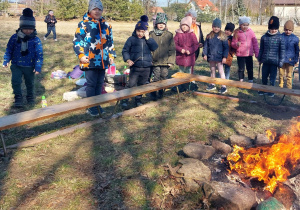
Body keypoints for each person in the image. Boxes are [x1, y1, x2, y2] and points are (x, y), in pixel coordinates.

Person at [73, 0, 116, 116]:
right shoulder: (83, 24)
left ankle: (98, 104)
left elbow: (110, 42)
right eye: (94, 9)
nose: (97, 11)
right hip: (89, 61)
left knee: (100, 83)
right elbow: (77, 41)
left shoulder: (107, 26)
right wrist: (81, 55)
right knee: (91, 84)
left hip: (103, 60)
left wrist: (112, 55)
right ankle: (91, 106)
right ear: (89, 10)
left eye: (99, 9)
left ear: (102, 10)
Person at [2, 8, 43, 107]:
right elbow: (9, 49)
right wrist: (6, 60)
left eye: (31, 28)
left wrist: (38, 66)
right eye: (26, 28)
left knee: (29, 83)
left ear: (34, 28)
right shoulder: (14, 38)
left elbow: (39, 54)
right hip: (16, 65)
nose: (28, 31)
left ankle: (30, 96)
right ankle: (18, 97)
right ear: (21, 27)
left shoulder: (36, 40)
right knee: (16, 81)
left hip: (29, 66)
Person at [121, 15, 158, 108]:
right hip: (135, 67)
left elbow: (154, 47)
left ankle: (138, 99)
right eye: (138, 31)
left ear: (146, 31)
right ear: (135, 30)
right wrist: (128, 59)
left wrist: (148, 38)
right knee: (131, 84)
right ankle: (125, 100)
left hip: (146, 67)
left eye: (143, 31)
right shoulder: (131, 39)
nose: (140, 33)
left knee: (142, 85)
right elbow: (125, 50)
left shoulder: (148, 40)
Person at [149, 13, 175, 101]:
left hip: (165, 61)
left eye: (163, 23)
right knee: (156, 77)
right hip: (155, 61)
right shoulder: (151, 34)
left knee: (164, 76)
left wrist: (171, 61)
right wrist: (150, 58)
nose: (161, 25)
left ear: (165, 24)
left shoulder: (169, 35)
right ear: (156, 24)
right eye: (159, 23)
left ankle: (161, 93)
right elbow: (148, 48)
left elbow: (172, 49)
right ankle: (153, 93)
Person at [258, 16, 285, 97]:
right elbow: (261, 49)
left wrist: (281, 62)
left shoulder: (280, 38)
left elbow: (282, 51)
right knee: (264, 76)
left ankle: (271, 91)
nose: (273, 30)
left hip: (274, 62)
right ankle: (263, 89)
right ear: (269, 28)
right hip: (265, 61)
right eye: (272, 29)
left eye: (275, 29)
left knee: (272, 78)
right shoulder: (264, 37)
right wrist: (259, 58)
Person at [203, 18, 229, 94]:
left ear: (220, 28)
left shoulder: (223, 36)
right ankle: (212, 84)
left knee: (221, 71)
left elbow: (226, 48)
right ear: (212, 27)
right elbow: (206, 46)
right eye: (214, 27)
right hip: (211, 56)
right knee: (212, 70)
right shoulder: (209, 36)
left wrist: (224, 57)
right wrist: (205, 54)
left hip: (219, 57)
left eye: (218, 27)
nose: (216, 28)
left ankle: (224, 86)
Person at [232, 16, 259, 83]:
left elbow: (255, 43)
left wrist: (257, 53)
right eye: (243, 25)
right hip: (240, 54)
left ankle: (250, 80)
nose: (245, 27)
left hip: (249, 54)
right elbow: (233, 43)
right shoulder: (237, 33)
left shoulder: (251, 32)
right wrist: (236, 44)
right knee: (241, 68)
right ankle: (241, 79)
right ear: (240, 25)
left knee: (250, 68)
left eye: (247, 25)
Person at [279, 20, 299, 89]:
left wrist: (296, 60)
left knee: (289, 75)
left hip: (290, 60)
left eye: (290, 30)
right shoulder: (280, 37)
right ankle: (280, 86)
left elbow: (297, 50)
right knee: (281, 74)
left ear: (292, 30)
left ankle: (289, 87)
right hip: (281, 59)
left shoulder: (295, 39)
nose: (288, 31)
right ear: (284, 29)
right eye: (286, 30)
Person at [185, 9, 204, 74]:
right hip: (187, 48)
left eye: (194, 19)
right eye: (191, 19)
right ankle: (185, 77)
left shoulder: (198, 27)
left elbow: (201, 35)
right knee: (186, 63)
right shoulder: (185, 26)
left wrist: (202, 42)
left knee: (192, 62)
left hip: (195, 48)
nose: (193, 20)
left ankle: (191, 76)